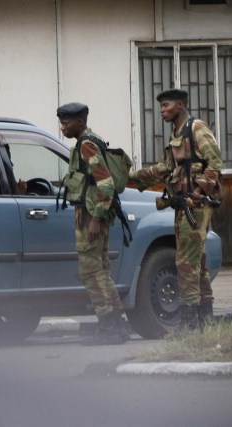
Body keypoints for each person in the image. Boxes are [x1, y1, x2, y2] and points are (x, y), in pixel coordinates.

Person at [129, 89, 223, 331]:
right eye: (160, 106)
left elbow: (215, 162)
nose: (162, 110)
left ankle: (189, 322)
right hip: (182, 204)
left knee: (185, 263)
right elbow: (165, 168)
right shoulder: (177, 134)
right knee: (198, 263)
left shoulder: (197, 128)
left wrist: (199, 192)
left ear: (180, 105)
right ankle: (205, 319)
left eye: (166, 105)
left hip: (195, 205)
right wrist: (133, 178)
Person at [57, 102, 128, 345]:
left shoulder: (86, 145)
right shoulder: (89, 141)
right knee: (102, 272)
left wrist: (96, 218)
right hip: (91, 212)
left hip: (92, 216)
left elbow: (105, 183)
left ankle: (108, 328)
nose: (62, 127)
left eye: (66, 123)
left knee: (91, 272)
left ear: (80, 121)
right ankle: (117, 326)